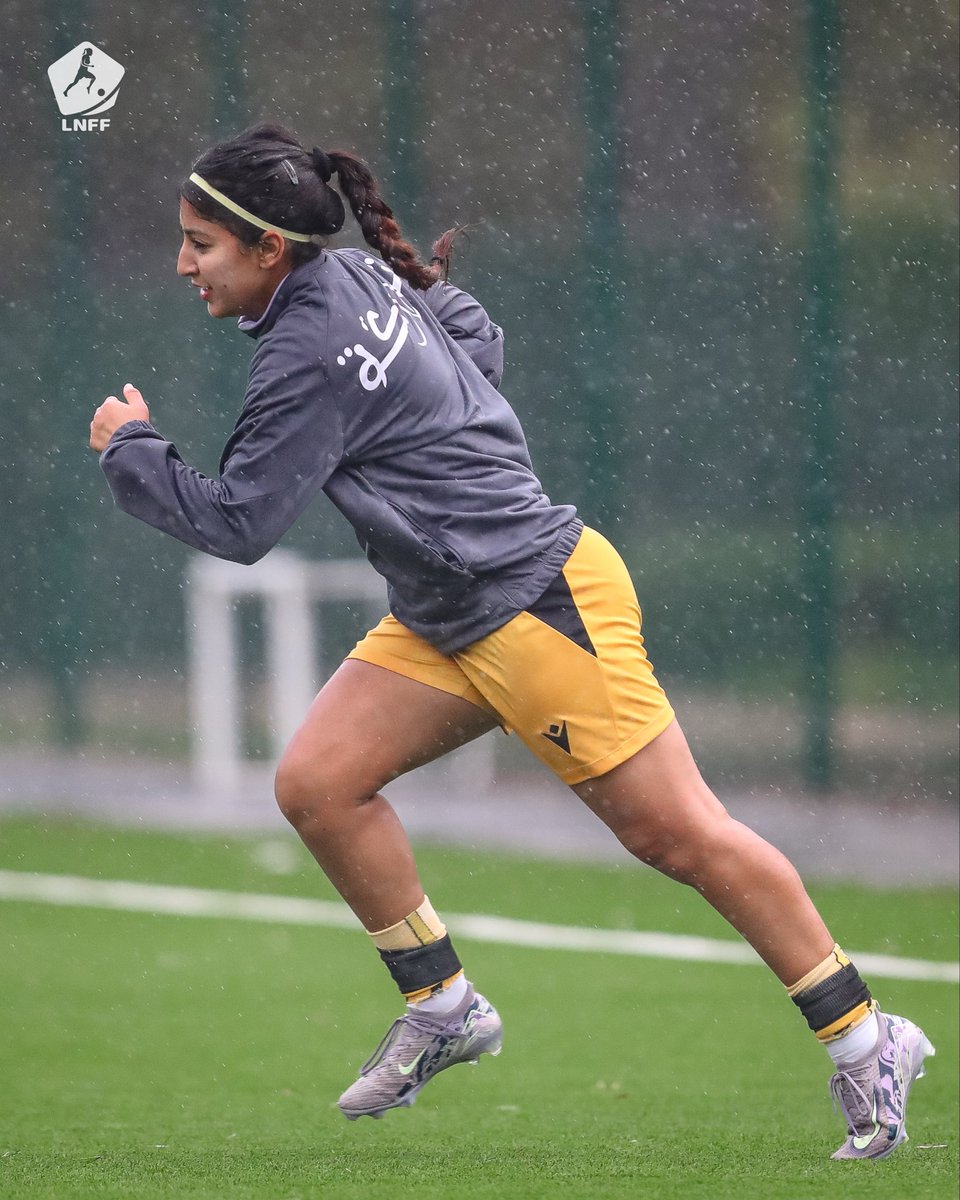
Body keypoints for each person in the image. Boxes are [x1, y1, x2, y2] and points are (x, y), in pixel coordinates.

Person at [89, 122, 934, 1158]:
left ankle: (866, 1038)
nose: (182, 263)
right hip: (451, 610)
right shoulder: (350, 277)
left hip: (537, 604)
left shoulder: (309, 342)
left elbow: (239, 523)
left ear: (270, 249)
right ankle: (443, 1008)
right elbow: (479, 342)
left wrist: (131, 449)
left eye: (200, 244)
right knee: (318, 783)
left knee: (682, 837)